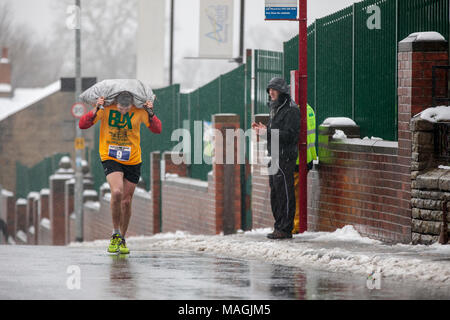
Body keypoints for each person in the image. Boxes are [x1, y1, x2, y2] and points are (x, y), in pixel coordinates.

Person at [79, 91, 162, 254]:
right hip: (110, 156)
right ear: (116, 103)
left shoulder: (139, 111)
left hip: (132, 159)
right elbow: (83, 124)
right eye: (121, 108)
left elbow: (157, 129)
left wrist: (151, 113)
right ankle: (115, 234)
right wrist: (96, 109)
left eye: (127, 108)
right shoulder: (105, 109)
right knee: (117, 192)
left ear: (132, 105)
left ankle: (122, 239)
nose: (123, 111)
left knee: (126, 201)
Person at [252, 77, 300, 240]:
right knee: (276, 192)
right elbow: (275, 134)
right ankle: (279, 226)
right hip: (274, 156)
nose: (270, 93)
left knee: (285, 193)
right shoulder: (275, 108)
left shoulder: (291, 110)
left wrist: (268, 132)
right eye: (269, 90)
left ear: (282, 91)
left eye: (274, 89)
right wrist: (264, 131)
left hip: (285, 157)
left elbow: (291, 136)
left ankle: (286, 228)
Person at [292, 104, 317, 234]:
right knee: (297, 194)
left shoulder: (296, 110)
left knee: (295, 195)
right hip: (306, 157)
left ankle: (296, 226)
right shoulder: (308, 109)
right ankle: (296, 224)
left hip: (297, 159)